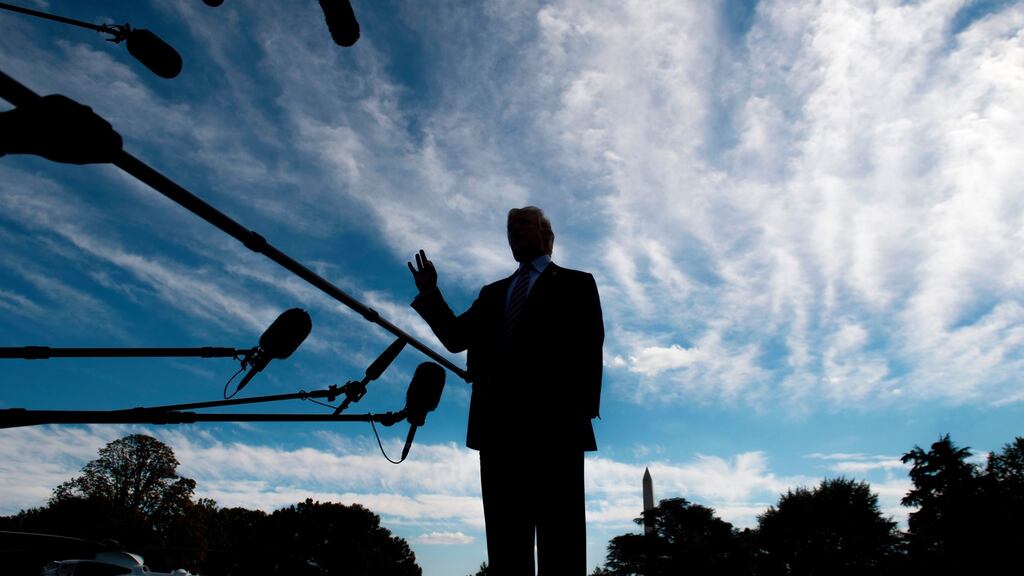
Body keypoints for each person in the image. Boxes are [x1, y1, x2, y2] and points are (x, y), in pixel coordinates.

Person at [408, 206, 603, 576]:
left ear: (547, 235)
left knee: (561, 546)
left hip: (556, 430)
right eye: (509, 227)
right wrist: (431, 292)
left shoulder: (577, 282)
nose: (514, 231)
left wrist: (581, 411)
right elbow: (454, 338)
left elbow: (591, 346)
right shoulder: (493, 292)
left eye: (523, 224)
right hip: (497, 431)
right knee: (506, 548)